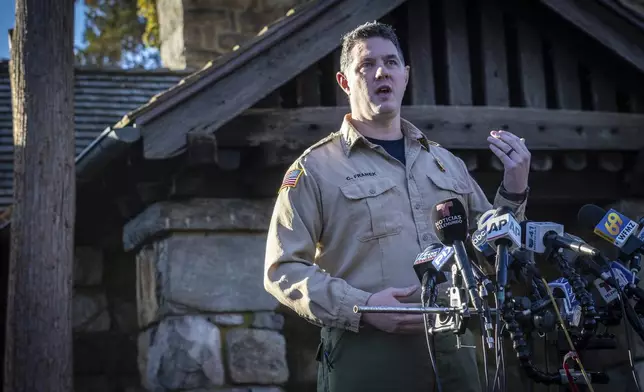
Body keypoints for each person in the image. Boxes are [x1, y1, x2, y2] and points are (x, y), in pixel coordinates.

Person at [263, 21, 531, 392]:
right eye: (366, 65)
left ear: (405, 76)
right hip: (368, 355)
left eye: (391, 63)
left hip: (456, 350)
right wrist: (363, 307)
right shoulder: (314, 169)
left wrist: (515, 188)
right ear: (345, 82)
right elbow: (282, 270)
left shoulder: (445, 163)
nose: (380, 72)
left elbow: (491, 252)